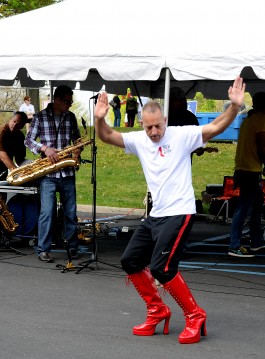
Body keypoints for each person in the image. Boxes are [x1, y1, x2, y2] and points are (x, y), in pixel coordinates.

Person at [94, 76, 245, 345]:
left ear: (165, 121)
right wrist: (100, 118)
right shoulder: (140, 140)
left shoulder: (182, 136)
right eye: (149, 127)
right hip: (157, 215)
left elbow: (215, 127)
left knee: (162, 267)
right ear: (142, 124)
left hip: (180, 211)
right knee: (130, 260)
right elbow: (106, 135)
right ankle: (157, 310)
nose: (154, 132)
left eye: (158, 126)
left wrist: (233, 107)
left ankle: (195, 315)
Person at [25, 85, 82, 263]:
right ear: (56, 100)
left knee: (71, 213)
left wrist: (77, 150)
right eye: (66, 101)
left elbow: (77, 139)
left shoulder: (71, 117)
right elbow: (28, 140)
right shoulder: (40, 117)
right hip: (48, 174)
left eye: (70, 102)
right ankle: (43, 249)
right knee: (47, 213)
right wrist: (44, 148)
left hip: (67, 173)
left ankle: (72, 248)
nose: (69, 105)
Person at [228, 92, 265, 258]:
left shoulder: (248, 121)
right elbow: (262, 147)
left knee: (256, 206)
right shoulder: (261, 120)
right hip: (250, 169)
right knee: (243, 207)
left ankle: (256, 241)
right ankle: (234, 245)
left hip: (244, 168)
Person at [0, 112, 28, 186]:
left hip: (5, 168)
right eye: (14, 121)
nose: (15, 124)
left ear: (22, 126)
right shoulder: (2, 131)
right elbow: (2, 156)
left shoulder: (20, 136)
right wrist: (17, 172)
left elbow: (19, 159)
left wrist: (29, 166)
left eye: (18, 124)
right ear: (10, 120)